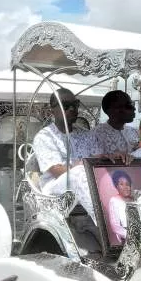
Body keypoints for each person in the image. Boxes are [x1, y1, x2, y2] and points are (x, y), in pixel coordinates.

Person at [32, 88, 99, 222]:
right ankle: (104, 223)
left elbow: (97, 158)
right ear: (52, 110)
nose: (72, 109)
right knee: (79, 172)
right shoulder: (45, 136)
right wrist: (81, 166)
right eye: (66, 105)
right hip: (55, 187)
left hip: (86, 180)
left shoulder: (85, 134)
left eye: (75, 104)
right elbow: (57, 171)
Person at [93, 90, 141, 179]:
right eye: (128, 105)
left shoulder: (132, 131)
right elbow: (93, 163)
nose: (133, 108)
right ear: (113, 110)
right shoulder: (98, 133)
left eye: (132, 104)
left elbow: (136, 152)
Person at [107, 170, 133, 244]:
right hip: (127, 238)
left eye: (127, 184)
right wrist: (131, 236)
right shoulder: (114, 201)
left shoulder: (135, 199)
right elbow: (115, 226)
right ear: (116, 186)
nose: (125, 187)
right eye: (121, 184)